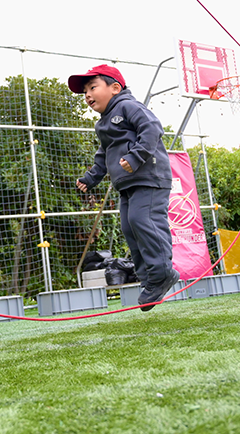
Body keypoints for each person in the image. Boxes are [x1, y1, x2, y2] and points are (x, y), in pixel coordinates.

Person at [69, 65, 179, 312]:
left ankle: (162, 272)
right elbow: (103, 154)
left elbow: (152, 128)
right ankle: (149, 278)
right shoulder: (103, 124)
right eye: (84, 91)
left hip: (149, 177)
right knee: (130, 227)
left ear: (115, 87)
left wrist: (136, 156)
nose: (87, 95)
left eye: (92, 87)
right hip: (127, 184)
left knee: (144, 221)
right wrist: (91, 177)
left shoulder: (129, 106)